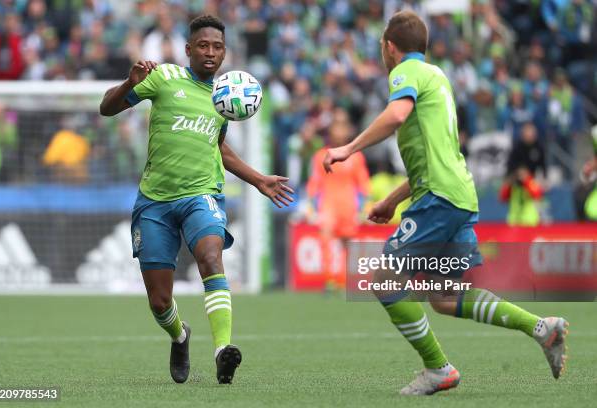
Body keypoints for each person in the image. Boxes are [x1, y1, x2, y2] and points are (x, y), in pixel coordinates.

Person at [323, 10, 567, 396]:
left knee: (384, 280)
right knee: (444, 297)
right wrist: (391, 199)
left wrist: (349, 148)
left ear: (390, 47)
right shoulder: (438, 77)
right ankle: (541, 328)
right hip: (456, 194)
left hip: (438, 198)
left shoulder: (404, 73)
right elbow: (437, 155)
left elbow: (396, 114)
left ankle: (438, 369)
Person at [99, 15, 293, 385]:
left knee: (209, 257)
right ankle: (179, 335)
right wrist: (130, 82)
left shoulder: (224, 98)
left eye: (217, 47)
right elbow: (106, 108)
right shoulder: (164, 77)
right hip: (154, 202)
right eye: (203, 45)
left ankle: (223, 351)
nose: (210, 52)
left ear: (224, 52)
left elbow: (218, 146)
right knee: (159, 302)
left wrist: (257, 180)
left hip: (201, 195)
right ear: (189, 49)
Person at [306, 120, 370, 291]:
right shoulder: (321, 155)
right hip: (328, 204)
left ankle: (343, 280)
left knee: (346, 243)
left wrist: (365, 206)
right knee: (325, 239)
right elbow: (315, 181)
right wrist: (311, 204)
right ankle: (329, 279)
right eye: (336, 126)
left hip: (348, 205)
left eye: (343, 126)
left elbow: (363, 183)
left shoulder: (356, 156)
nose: (340, 131)